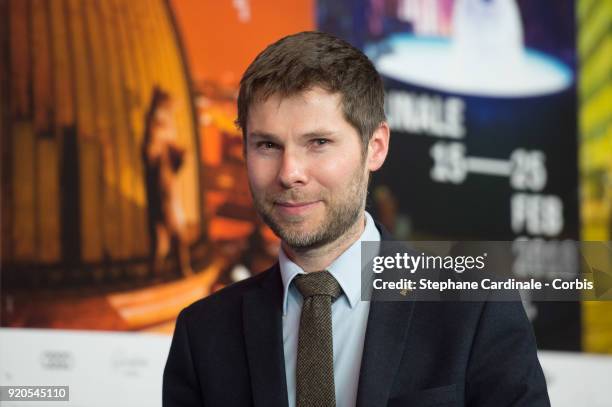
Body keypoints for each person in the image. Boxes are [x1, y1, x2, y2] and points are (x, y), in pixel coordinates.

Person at [163, 31, 549, 407]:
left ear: (375, 147)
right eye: (267, 145)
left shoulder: (475, 308)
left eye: (318, 143)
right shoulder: (203, 335)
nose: (289, 172)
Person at [143, 87, 193, 278]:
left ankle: (157, 271)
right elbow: (152, 155)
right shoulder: (156, 133)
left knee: (162, 239)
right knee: (174, 236)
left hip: (165, 192)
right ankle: (179, 270)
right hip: (164, 194)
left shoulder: (159, 135)